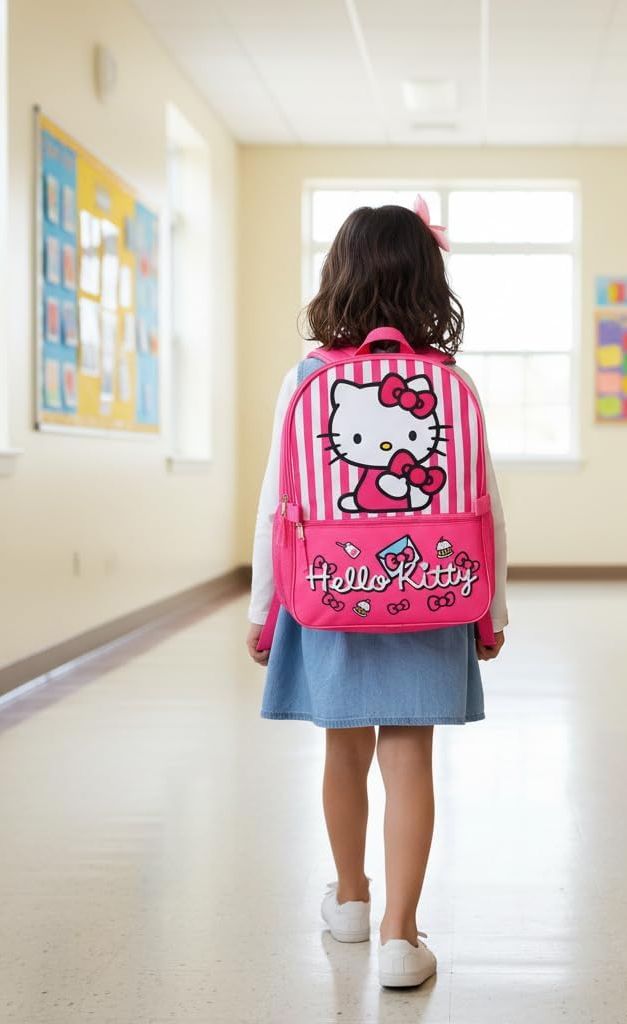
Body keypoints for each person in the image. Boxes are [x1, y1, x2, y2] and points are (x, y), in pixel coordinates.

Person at [246, 199, 508, 989]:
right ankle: (401, 937)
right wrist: (489, 612)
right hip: (432, 590)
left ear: (339, 280)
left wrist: (264, 612)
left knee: (343, 746)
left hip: (330, 588)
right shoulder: (450, 383)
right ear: (430, 283)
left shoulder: (305, 379)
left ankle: (352, 901)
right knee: (408, 756)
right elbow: (487, 505)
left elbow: (273, 506)